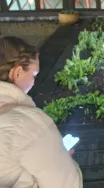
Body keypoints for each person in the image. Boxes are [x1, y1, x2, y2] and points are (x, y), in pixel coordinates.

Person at [0, 36, 83, 188]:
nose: (34, 82)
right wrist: (63, 159)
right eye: (34, 75)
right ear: (17, 73)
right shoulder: (27, 125)